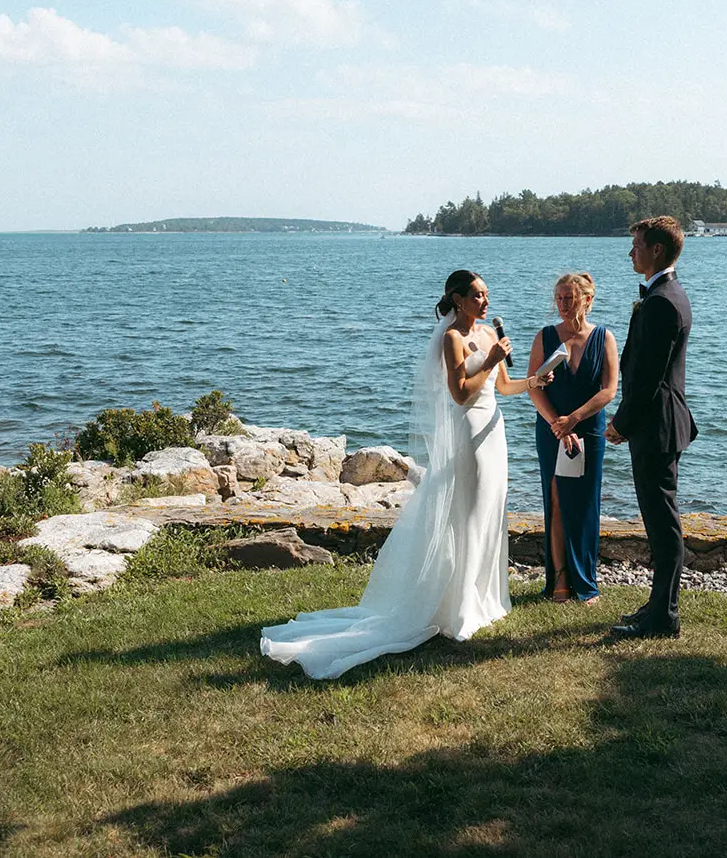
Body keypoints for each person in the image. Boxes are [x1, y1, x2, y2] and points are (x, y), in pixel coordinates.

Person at [259, 270, 550, 679]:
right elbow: (462, 393)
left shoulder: (486, 335)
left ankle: (486, 598)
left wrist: (533, 379)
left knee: (489, 511)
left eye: (487, 295)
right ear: (458, 299)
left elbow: (502, 387)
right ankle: (457, 605)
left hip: (493, 430)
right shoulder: (451, 339)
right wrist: (493, 361)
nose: (486, 301)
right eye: (478, 296)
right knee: (467, 514)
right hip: (468, 431)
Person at [605, 216, 698, 640]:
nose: (631, 252)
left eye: (637, 245)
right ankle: (660, 606)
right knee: (660, 522)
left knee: (663, 526)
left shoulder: (662, 301)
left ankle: (664, 617)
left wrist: (621, 424)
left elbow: (648, 377)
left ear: (656, 250)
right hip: (658, 423)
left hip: (656, 426)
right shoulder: (664, 294)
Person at [527, 272, 619, 604]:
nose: (564, 304)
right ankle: (560, 580)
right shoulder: (545, 336)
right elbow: (532, 387)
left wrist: (575, 419)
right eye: (560, 298)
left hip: (589, 429)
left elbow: (609, 390)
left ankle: (586, 581)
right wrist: (556, 422)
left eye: (571, 298)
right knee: (555, 500)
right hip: (551, 429)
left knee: (585, 503)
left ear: (587, 299)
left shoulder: (604, 337)